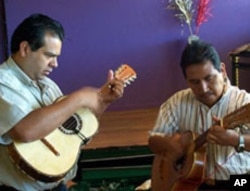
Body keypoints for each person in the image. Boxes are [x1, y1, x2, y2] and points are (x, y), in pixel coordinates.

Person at [0, 13, 124, 191]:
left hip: (58, 185)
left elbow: (75, 132)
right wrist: (80, 97)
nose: (55, 64)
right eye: (49, 55)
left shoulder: (48, 86)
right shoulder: (3, 82)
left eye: (57, 57)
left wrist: (103, 102)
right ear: (25, 48)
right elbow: (24, 131)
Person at [148, 39, 250, 191]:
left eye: (209, 78)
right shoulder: (176, 102)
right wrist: (169, 146)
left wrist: (237, 140)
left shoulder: (244, 102)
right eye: (194, 82)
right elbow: (153, 140)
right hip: (190, 181)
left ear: (222, 70)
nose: (203, 88)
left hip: (237, 181)